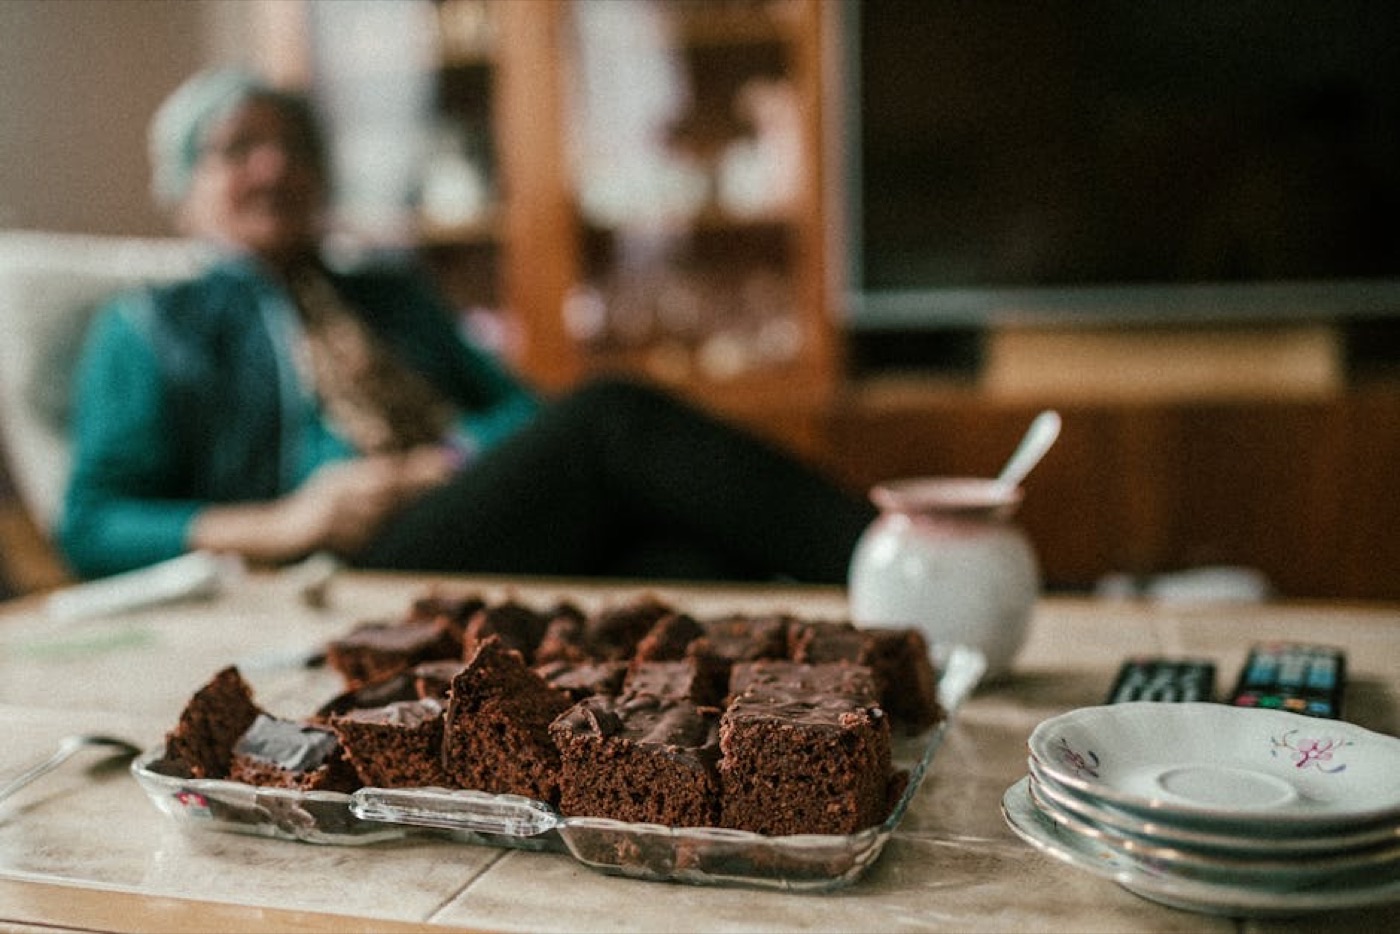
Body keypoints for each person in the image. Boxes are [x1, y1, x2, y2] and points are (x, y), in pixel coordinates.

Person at [57, 67, 876, 584]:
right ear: (181, 187)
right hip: (342, 559)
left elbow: (521, 411)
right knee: (611, 417)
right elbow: (92, 522)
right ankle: (902, 564)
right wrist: (286, 521)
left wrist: (445, 459)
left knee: (683, 563)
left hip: (459, 507)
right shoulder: (149, 329)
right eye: (239, 149)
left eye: (295, 148)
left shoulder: (390, 293)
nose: (277, 167)